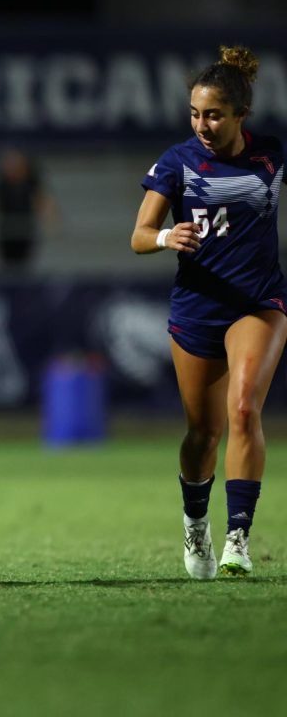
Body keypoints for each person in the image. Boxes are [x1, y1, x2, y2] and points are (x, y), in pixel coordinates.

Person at [130, 45, 285, 579]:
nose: (202, 123)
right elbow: (138, 236)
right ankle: (196, 525)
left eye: (214, 114)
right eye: (195, 113)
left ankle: (238, 539)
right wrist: (168, 236)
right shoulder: (177, 162)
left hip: (259, 304)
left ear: (242, 115)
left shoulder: (271, 157)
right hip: (198, 306)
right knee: (204, 432)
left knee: (243, 410)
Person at [0, 148, 54, 273]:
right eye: (10, 163)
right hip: (5, 233)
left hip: (25, 231)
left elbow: (42, 200)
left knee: (24, 265)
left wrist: (49, 217)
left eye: (17, 163)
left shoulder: (31, 180)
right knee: (5, 264)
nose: (13, 167)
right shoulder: (1, 183)